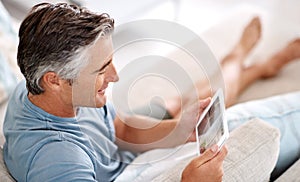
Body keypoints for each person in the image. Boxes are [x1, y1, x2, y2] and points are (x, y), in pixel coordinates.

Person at [2, 2, 299, 182]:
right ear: (54, 80)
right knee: (214, 98)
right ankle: (247, 61)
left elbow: (117, 127)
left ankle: (246, 63)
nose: (116, 76)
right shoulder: (60, 163)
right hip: (129, 168)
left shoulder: (37, 85)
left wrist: (179, 130)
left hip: (121, 148)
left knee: (191, 107)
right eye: (101, 69)